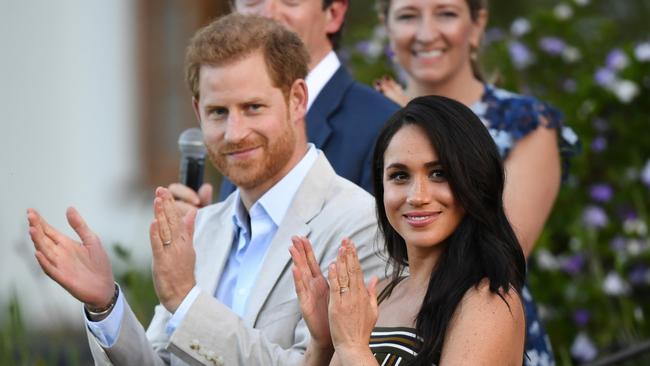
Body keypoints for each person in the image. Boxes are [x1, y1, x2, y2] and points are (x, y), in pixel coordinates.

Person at [27, 14, 384, 366]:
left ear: (297, 100)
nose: (234, 132)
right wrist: (105, 304)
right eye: (217, 112)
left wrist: (186, 299)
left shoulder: (359, 225)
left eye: (253, 107)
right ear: (198, 112)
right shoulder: (202, 228)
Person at [373, 0, 580, 363]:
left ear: (478, 23)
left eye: (446, 13)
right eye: (408, 15)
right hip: (395, 305)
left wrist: (418, 117)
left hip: (477, 322)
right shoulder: (372, 115)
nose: (426, 32)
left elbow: (504, 247)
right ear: (386, 26)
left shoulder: (525, 121)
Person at [291, 95, 527, 365]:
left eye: (438, 173)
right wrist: (323, 343)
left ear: (475, 180)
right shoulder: (378, 295)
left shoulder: (489, 301)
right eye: (400, 175)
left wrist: (354, 347)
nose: (417, 196)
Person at [171, 0, 400, 212]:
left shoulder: (387, 128)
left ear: (334, 13)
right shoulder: (232, 127)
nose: (269, 13)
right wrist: (212, 236)